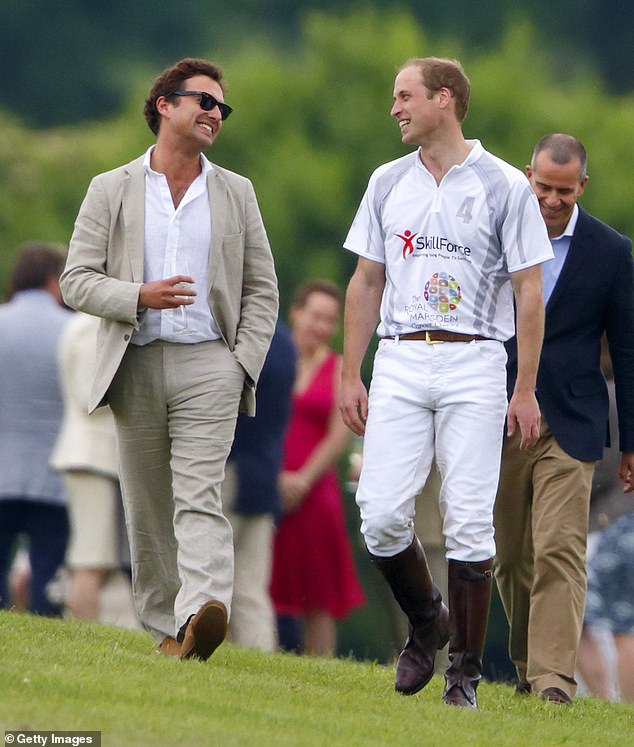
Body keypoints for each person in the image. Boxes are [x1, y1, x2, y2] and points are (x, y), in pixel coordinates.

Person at [339, 57, 552, 708]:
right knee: (377, 515)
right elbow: (366, 280)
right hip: (400, 356)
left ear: (445, 99)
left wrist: (524, 387)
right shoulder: (385, 181)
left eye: (404, 96)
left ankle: (463, 672)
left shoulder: (505, 185)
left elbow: (530, 292)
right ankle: (428, 619)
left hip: (476, 359)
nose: (395, 108)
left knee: (468, 521)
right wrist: (352, 371)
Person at [60, 58, 278, 661]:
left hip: (210, 363)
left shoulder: (237, 192)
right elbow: (75, 280)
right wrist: (137, 297)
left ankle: (204, 607)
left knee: (200, 492)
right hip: (134, 361)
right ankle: (167, 629)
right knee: (148, 506)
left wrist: (242, 364)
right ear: (164, 104)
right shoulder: (111, 188)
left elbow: (263, 289)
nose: (215, 114)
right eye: (204, 102)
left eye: (221, 108)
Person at [494, 133, 634, 704]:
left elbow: (626, 350)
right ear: (528, 176)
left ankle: (553, 679)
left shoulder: (610, 250)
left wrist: (632, 442)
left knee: (559, 547)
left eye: (564, 190)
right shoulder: (494, 230)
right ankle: (531, 663)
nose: (551, 200)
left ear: (583, 185)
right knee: (508, 556)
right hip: (499, 412)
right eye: (543, 187)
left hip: (573, 420)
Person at [270, 280, 365, 657]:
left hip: (314, 490)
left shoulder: (340, 368)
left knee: (319, 595)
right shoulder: (272, 359)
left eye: (331, 320)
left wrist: (302, 480)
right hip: (269, 481)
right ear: (296, 313)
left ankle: (321, 664)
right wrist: (274, 476)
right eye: (316, 317)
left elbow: (337, 436)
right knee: (258, 579)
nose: (322, 327)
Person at [0, 243, 72, 616]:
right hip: (54, 470)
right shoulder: (73, 331)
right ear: (52, 281)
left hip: (2, 467)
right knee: (47, 573)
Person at [50, 311, 134, 623]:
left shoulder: (91, 324)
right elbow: (90, 394)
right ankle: (85, 630)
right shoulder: (90, 326)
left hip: (98, 456)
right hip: (90, 455)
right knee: (91, 557)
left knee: (96, 557)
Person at [222, 321, 296, 652]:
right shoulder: (285, 342)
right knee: (251, 585)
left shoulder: (244, 336)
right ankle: (260, 653)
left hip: (230, 466)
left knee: (209, 570)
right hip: (265, 471)